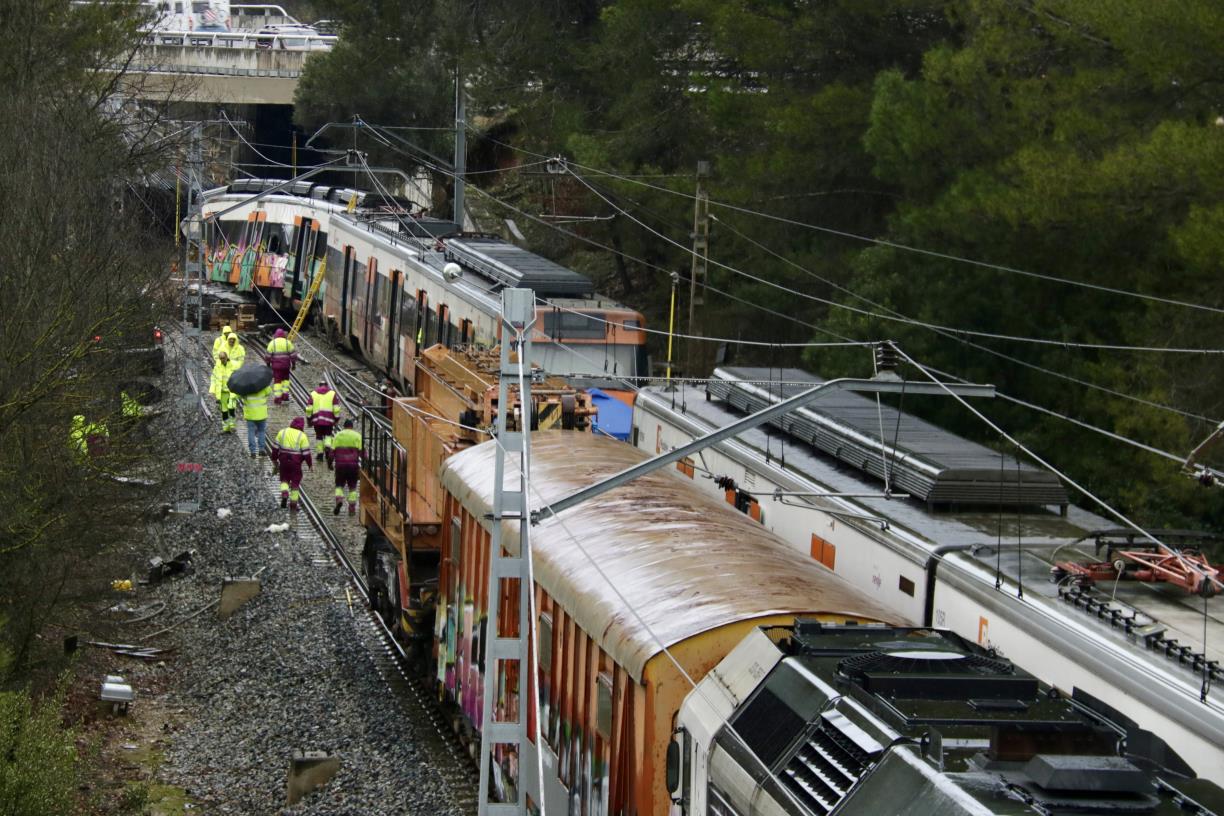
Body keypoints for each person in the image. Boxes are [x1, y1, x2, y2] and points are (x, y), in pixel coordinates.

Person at [270, 416, 312, 511]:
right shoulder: (302, 436)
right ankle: (293, 505)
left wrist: (274, 459)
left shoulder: (282, 432)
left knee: (284, 479)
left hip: (284, 460)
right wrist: (310, 464)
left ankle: (285, 494)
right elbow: (306, 453)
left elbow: (275, 448)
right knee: (295, 483)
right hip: (296, 463)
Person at [331, 418, 361, 516]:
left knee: (339, 485)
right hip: (353, 466)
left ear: (344, 427)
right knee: (352, 487)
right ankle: (352, 508)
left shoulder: (337, 435)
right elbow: (363, 452)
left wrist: (329, 463)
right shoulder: (357, 436)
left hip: (340, 465)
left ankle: (339, 499)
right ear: (352, 427)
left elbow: (332, 452)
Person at [306, 379, 340, 467]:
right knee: (328, 435)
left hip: (317, 421)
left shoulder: (313, 394)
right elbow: (336, 408)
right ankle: (328, 448)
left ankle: (320, 454)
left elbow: (309, 408)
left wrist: (309, 418)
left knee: (319, 436)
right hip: (329, 421)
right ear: (327, 385)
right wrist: (336, 418)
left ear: (319, 385)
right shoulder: (332, 394)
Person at [208, 351, 240, 433]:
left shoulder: (233, 366)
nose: (222, 360)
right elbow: (214, 379)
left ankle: (232, 425)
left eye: (223, 358)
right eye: (220, 358)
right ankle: (226, 427)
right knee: (224, 410)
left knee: (231, 408)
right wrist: (212, 390)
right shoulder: (217, 368)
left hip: (231, 391)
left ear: (226, 357)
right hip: (222, 392)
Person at [238, 381, 271, 458]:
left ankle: (253, 451)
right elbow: (269, 392)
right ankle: (261, 449)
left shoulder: (245, 387)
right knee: (261, 431)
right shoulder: (262, 385)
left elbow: (240, 396)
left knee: (251, 432)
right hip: (262, 414)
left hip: (250, 415)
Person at [265, 328, 297, 404]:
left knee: (277, 381)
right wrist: (293, 364)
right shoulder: (288, 343)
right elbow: (293, 355)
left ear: (275, 335)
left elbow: (268, 355)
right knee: (285, 380)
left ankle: (278, 398)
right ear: (283, 335)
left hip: (276, 367)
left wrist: (268, 364)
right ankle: (285, 396)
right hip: (286, 366)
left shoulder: (272, 343)